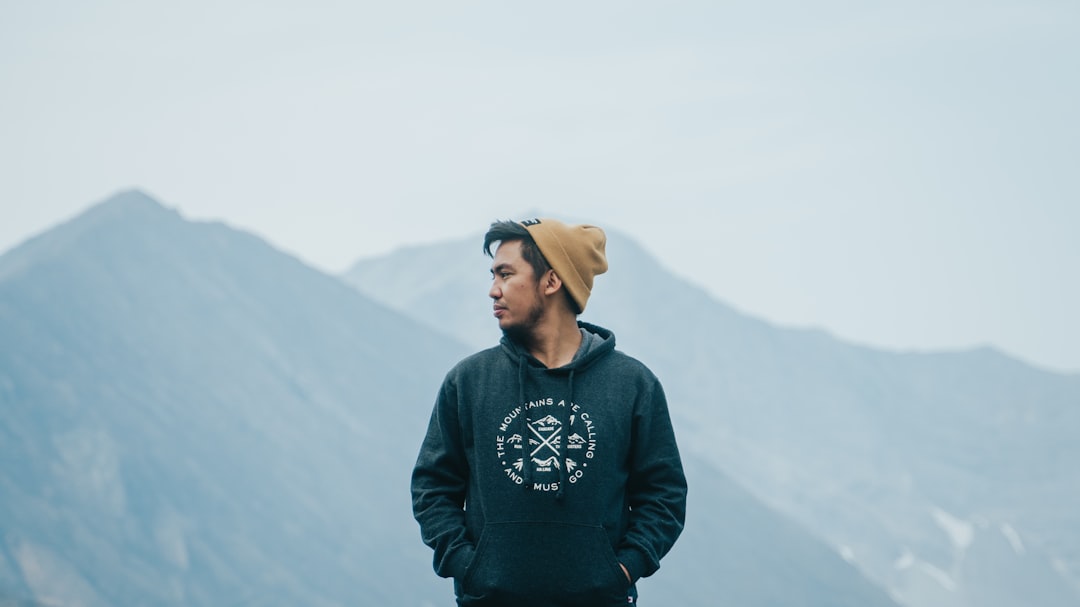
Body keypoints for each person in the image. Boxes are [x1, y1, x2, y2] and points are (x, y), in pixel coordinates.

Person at [411, 218, 687, 606]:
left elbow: (664, 495)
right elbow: (432, 488)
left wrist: (621, 569)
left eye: (506, 274)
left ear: (551, 282)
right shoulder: (469, 381)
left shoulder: (632, 385)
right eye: (493, 275)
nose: (493, 290)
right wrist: (468, 566)